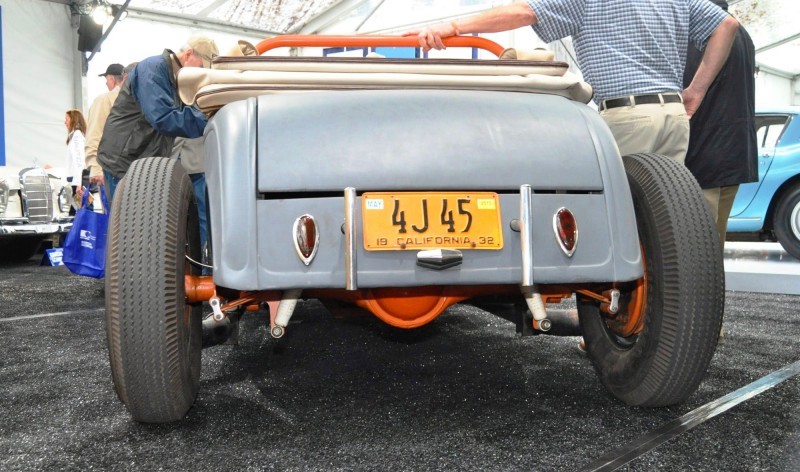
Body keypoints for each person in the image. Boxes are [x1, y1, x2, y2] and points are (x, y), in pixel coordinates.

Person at [406, 0, 740, 163]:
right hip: (673, 116)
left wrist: (454, 27)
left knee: (613, 212)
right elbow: (727, 25)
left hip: (628, 116)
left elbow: (523, 12)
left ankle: (606, 297)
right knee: (661, 220)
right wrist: (696, 91)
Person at [97, 35, 219, 200]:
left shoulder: (175, 79)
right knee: (126, 223)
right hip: (123, 162)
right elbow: (164, 118)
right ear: (188, 54)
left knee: (141, 223)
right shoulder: (152, 70)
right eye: (201, 68)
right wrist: (208, 116)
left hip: (141, 162)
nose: (201, 75)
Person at [683, 0, 757, 245]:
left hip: (703, 155)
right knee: (714, 245)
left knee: (698, 248)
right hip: (734, 153)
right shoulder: (742, 34)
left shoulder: (703, 33)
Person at [83, 63, 127, 189]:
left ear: (112, 79)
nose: (106, 84)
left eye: (106, 80)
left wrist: (95, 168)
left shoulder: (104, 100)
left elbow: (94, 134)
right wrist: (96, 168)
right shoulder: (134, 100)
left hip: (113, 171)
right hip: (115, 171)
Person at [64, 109, 87, 213]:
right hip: (76, 182)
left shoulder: (77, 136)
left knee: (77, 214)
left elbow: (79, 161)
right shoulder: (75, 136)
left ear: (74, 120)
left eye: (67, 119)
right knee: (78, 212)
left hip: (77, 185)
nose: (65, 122)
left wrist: (79, 184)